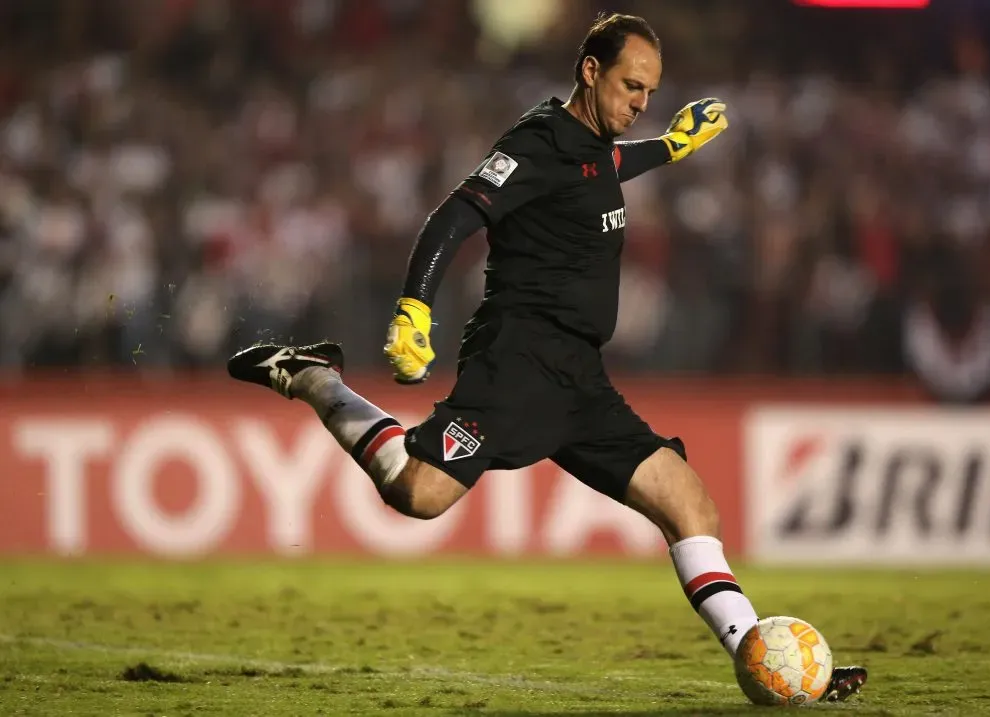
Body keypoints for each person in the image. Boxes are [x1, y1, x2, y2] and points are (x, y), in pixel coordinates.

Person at [228, 11, 867, 703]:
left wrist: (672, 147)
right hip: (518, 363)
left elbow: (610, 164)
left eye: (650, 91)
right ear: (590, 72)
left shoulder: (596, 146)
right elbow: (454, 216)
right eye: (631, 85)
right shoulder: (535, 144)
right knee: (418, 492)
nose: (641, 103)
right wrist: (415, 304)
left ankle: (762, 658)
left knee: (692, 507)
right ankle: (316, 376)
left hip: (582, 379)